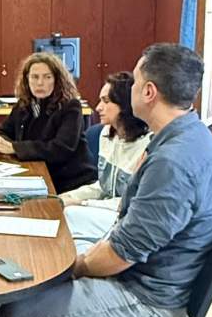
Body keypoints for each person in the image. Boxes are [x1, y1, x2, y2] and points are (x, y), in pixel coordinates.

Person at [0, 43, 212, 317]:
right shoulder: (189, 138)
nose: (130, 89)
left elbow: (120, 255)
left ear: (149, 92)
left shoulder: (174, 162)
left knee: (16, 315)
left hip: (153, 300)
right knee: (45, 291)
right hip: (158, 280)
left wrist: (74, 266)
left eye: (136, 80)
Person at [0, 52, 96, 193]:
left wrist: (14, 147)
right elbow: (1, 130)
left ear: (57, 80)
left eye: (47, 77)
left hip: (70, 182)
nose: (40, 83)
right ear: (27, 80)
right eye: (34, 77)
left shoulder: (70, 106)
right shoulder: (24, 105)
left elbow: (60, 149)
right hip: (37, 176)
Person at [61, 71, 151, 253]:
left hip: (127, 219)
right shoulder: (106, 134)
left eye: (106, 101)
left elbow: (131, 202)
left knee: (70, 215)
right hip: (105, 210)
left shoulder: (147, 145)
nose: (98, 107)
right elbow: (103, 187)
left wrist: (83, 204)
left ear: (125, 104)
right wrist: (66, 197)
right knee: (62, 211)